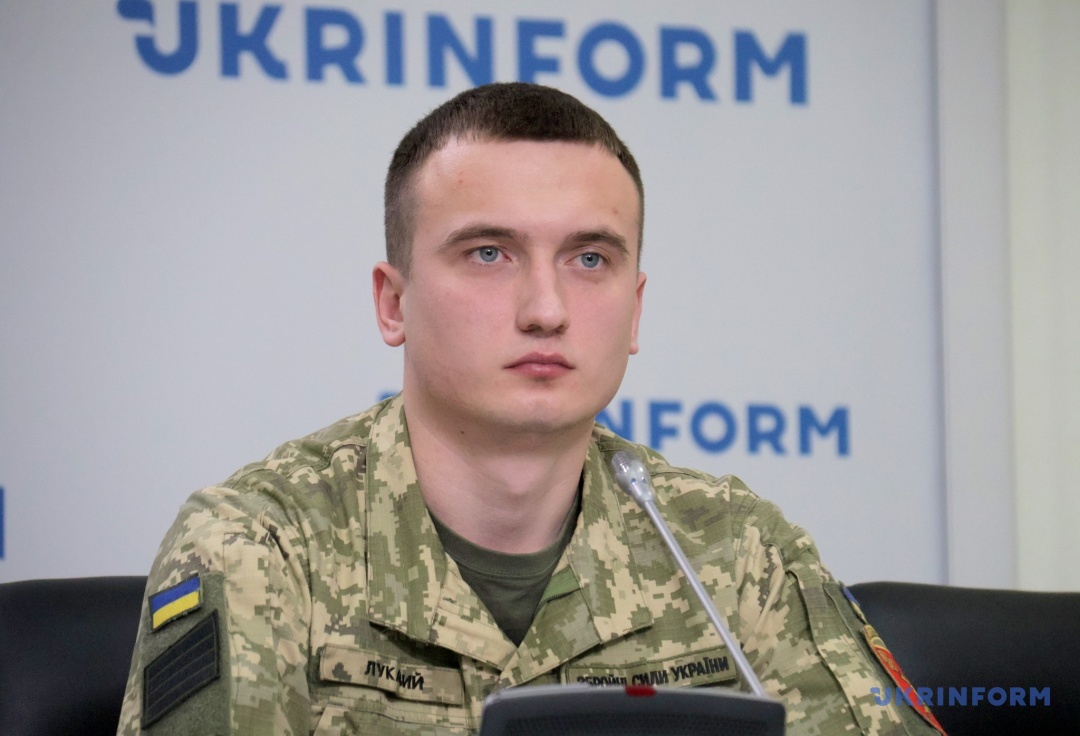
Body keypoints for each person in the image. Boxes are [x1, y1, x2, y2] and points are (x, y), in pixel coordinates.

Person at [118, 83, 943, 735]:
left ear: (635, 311)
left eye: (590, 259)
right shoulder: (261, 546)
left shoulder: (732, 548)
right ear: (393, 303)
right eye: (489, 253)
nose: (546, 309)